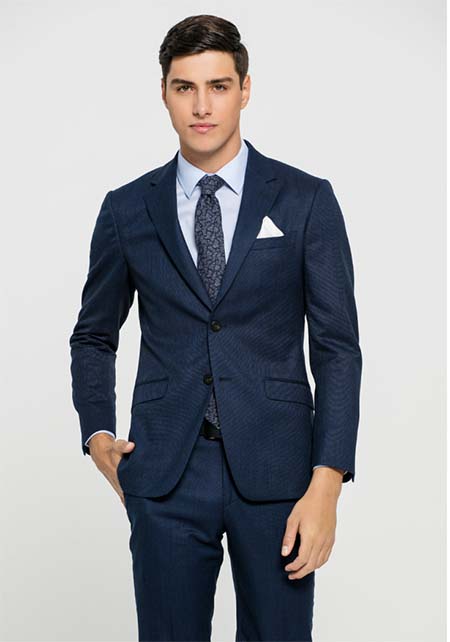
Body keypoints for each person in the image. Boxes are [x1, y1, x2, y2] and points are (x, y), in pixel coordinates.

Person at [69, 13, 362, 642]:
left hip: (280, 473)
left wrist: (327, 483)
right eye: (185, 87)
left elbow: (337, 349)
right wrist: (97, 434)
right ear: (164, 93)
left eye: (219, 86)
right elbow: (93, 334)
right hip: (166, 472)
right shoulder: (127, 209)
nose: (202, 106)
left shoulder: (305, 199)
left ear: (245, 89)